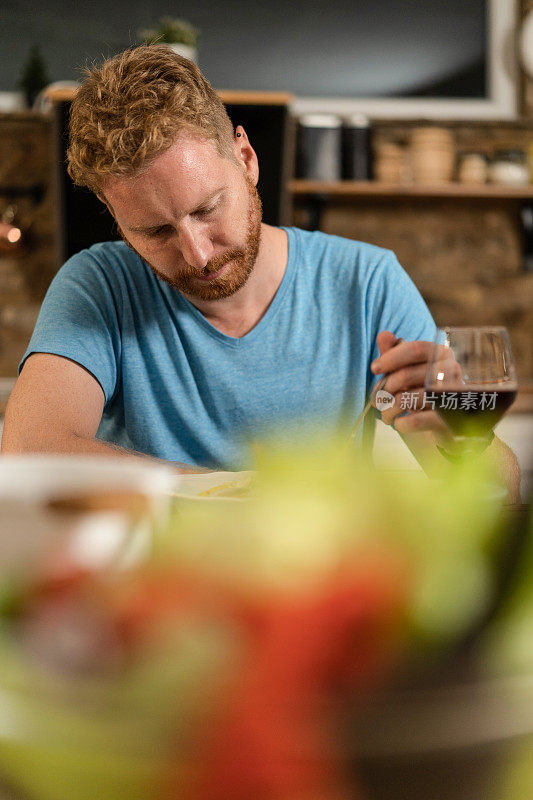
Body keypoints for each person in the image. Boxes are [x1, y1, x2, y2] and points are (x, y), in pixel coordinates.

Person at [1, 46, 521, 500]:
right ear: (113, 214)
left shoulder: (367, 283)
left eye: (207, 209)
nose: (198, 254)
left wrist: (458, 435)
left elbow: (498, 492)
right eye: (156, 232)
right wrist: (242, 497)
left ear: (246, 158)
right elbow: (27, 451)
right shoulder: (98, 285)